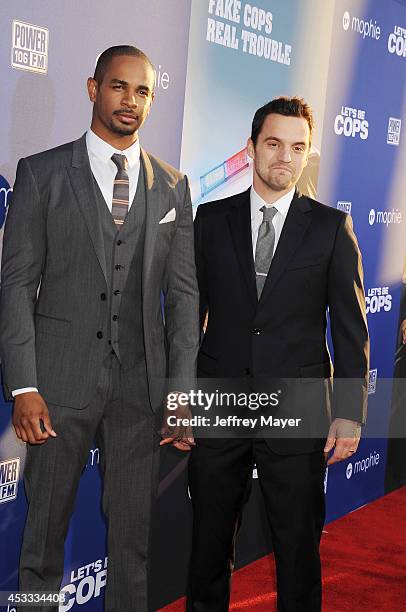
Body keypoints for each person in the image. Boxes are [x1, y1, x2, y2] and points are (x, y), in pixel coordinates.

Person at [0, 45, 199, 611]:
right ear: (93, 88)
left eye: (142, 91)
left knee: (133, 544)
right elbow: (15, 285)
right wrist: (24, 385)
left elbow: (184, 298)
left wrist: (180, 393)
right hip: (57, 387)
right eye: (118, 86)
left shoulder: (173, 187)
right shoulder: (40, 174)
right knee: (40, 541)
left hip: (140, 390)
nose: (130, 101)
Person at [187, 96, 369, 611]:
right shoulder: (211, 219)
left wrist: (350, 416)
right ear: (251, 148)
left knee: (297, 549)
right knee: (207, 548)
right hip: (219, 404)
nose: (284, 157)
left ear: (306, 154)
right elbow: (187, 317)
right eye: (273, 143)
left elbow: (352, 331)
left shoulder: (332, 228)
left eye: (297, 147)